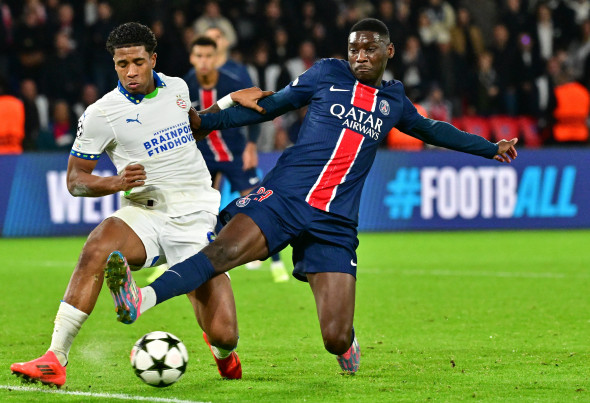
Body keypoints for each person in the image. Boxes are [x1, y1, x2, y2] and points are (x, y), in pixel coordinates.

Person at [105, 18, 518, 374]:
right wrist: (208, 122)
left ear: (388, 52)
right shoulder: (325, 74)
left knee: (335, 338)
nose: (359, 56)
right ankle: (140, 298)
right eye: (354, 48)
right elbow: (268, 107)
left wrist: (490, 147)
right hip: (284, 198)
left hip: (334, 223)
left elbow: (433, 130)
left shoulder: (394, 102)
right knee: (220, 254)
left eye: (369, 49)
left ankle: (345, 345)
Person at [9, 22, 253, 388]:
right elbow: (75, 179)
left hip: (195, 214)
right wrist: (115, 183)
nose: (131, 71)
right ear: (114, 65)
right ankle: (54, 358)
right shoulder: (101, 114)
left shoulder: (177, 88)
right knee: (100, 242)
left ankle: (222, 354)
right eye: (122, 64)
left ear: (153, 59)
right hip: (146, 213)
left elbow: (195, 128)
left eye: (138, 62)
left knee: (225, 333)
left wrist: (229, 102)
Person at [204, 26, 289, 280]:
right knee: (197, 205)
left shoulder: (236, 71)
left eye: (217, 36)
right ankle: (176, 262)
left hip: (235, 148)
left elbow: (252, 106)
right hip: (206, 150)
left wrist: (251, 145)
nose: (212, 41)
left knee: (255, 201)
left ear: (225, 42)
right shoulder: (193, 76)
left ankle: (275, 262)